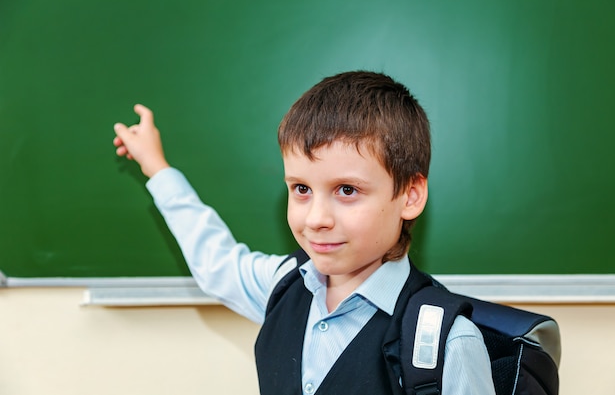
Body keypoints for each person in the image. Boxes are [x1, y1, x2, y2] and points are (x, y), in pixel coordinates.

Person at [112, 71, 495, 395]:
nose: (316, 219)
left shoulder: (448, 343)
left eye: (347, 190)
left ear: (409, 196)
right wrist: (157, 168)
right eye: (301, 189)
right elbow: (216, 262)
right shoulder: (285, 284)